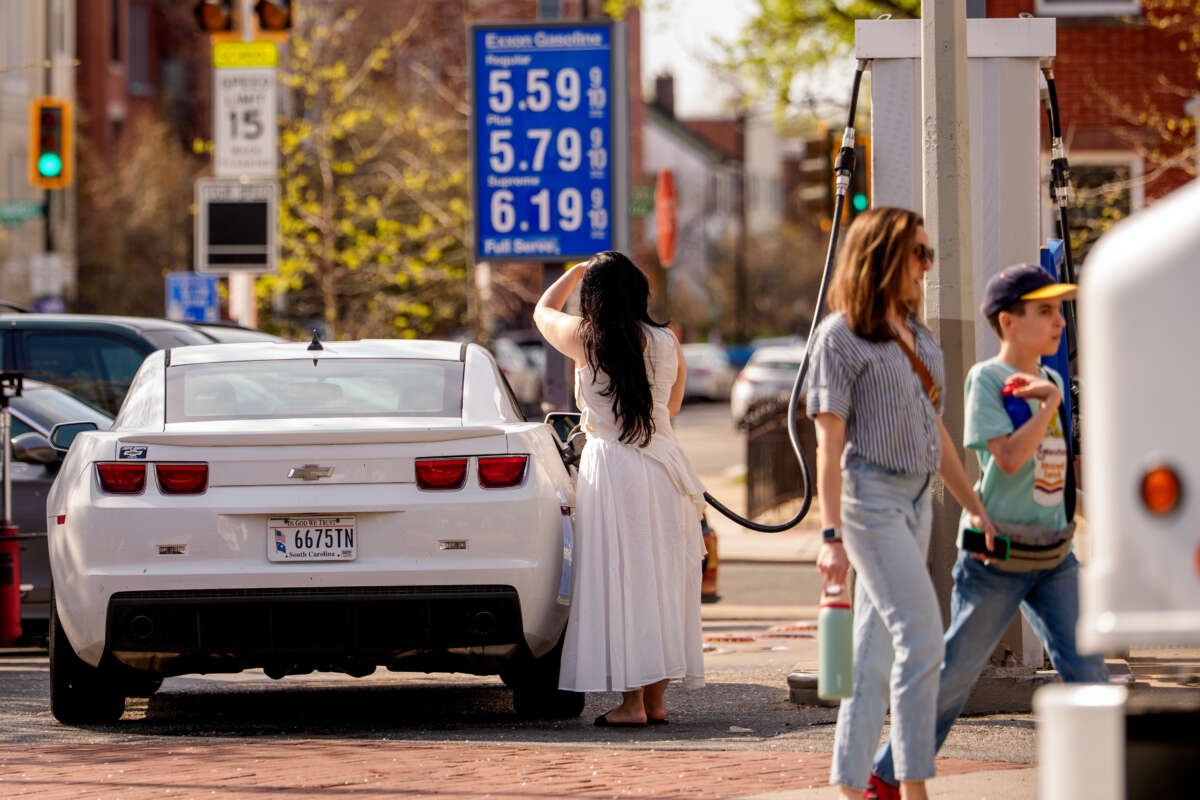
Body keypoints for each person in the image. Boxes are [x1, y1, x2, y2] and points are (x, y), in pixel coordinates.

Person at [864, 264, 1108, 800]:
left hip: (1055, 557)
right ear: (1008, 322)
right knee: (955, 675)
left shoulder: (1053, 382)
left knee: (1089, 670)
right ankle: (885, 778)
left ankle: (1111, 778)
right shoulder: (989, 381)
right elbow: (1010, 459)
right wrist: (1048, 405)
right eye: (1045, 311)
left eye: (1059, 311)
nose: (1059, 322)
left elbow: (1056, 472)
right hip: (997, 559)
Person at [807, 207, 996, 800]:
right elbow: (828, 444)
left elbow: (935, 431)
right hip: (870, 500)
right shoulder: (840, 336)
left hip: (917, 499)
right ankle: (912, 787)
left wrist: (973, 504)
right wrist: (831, 537)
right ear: (884, 255)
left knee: (873, 654)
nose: (927, 265)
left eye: (928, 253)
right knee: (922, 638)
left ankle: (852, 784)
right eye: (919, 253)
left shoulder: (919, 335)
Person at [533, 250, 706, 727]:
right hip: (664, 467)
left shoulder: (586, 339)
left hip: (612, 469)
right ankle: (655, 700)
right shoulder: (668, 341)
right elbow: (671, 406)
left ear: (595, 296)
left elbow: (542, 311)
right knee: (664, 579)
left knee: (623, 580)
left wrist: (574, 272)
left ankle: (631, 704)